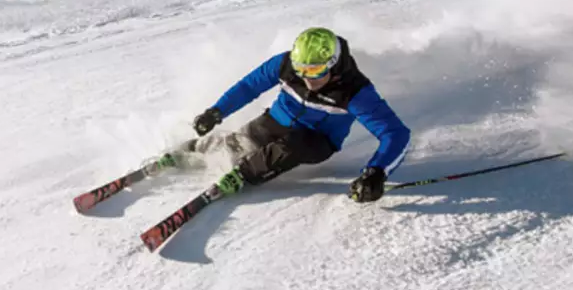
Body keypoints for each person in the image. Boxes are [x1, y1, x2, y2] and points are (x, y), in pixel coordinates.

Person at [175, 27, 411, 203]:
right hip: (275, 121)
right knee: (238, 144)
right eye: (302, 70)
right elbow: (249, 87)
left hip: (316, 141)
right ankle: (194, 149)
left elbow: (395, 133)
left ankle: (244, 174)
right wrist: (216, 112)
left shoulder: (354, 92)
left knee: (291, 146)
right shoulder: (285, 65)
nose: (307, 79)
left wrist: (377, 172)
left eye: (316, 71)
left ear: (333, 63)